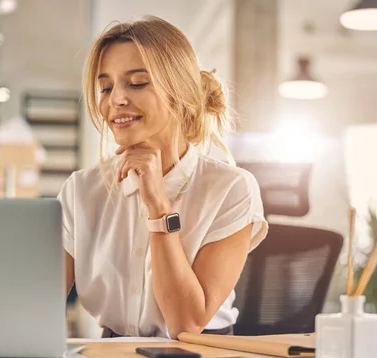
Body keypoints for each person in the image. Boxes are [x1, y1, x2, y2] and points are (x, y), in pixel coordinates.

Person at [58, 16, 268, 339]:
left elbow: (186, 324)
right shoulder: (81, 191)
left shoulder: (232, 190)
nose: (115, 100)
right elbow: (35, 305)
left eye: (137, 82)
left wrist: (158, 206)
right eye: (106, 87)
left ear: (179, 91)